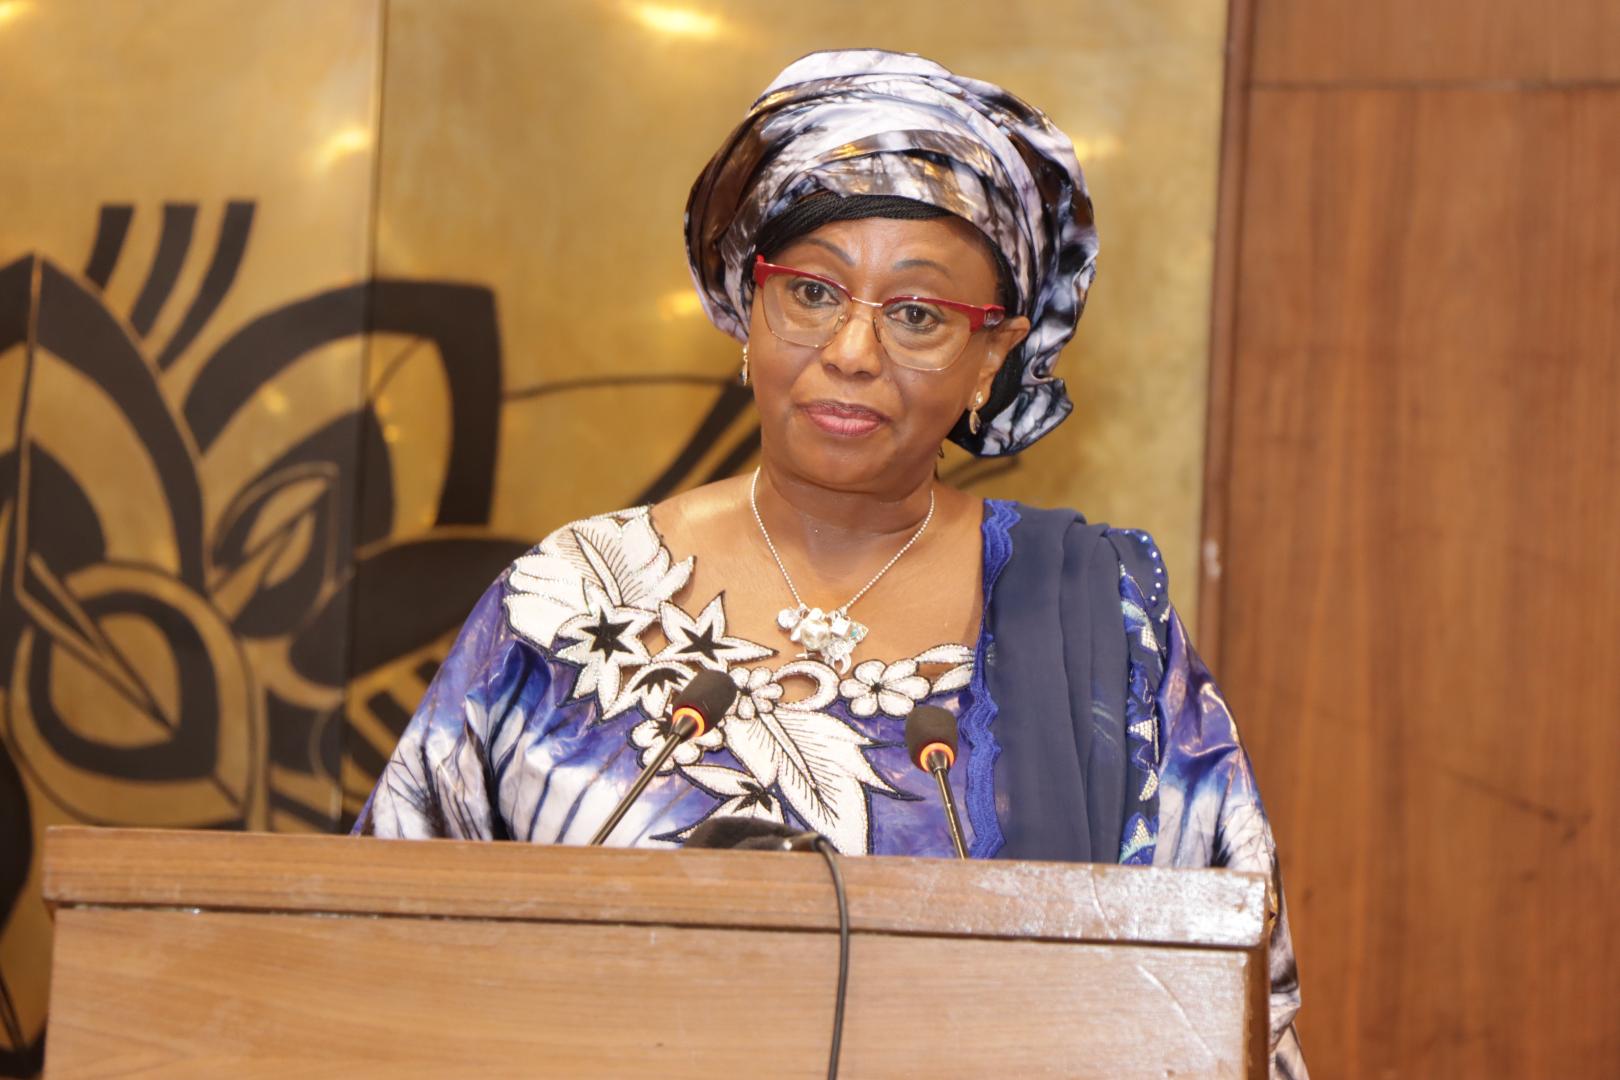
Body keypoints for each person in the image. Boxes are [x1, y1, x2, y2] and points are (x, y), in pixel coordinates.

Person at [355, 49, 1306, 1076]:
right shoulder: (569, 601)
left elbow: (1233, 1004)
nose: (852, 350)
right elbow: (378, 952)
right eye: (811, 292)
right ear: (748, 306)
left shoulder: (1098, 626)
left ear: (993, 354)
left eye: (917, 314)